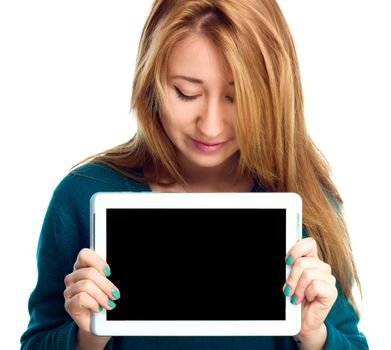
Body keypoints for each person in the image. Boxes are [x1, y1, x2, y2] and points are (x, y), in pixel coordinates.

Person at [21, 0, 369, 349]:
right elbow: (38, 340)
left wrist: (315, 336)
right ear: (151, 82)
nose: (211, 126)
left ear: (272, 95)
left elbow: (350, 339)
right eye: (187, 94)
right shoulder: (83, 197)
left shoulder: (305, 201)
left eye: (236, 98)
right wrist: (86, 337)